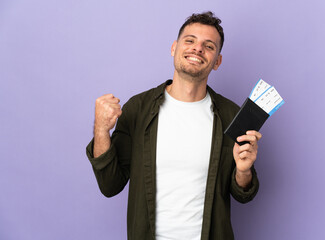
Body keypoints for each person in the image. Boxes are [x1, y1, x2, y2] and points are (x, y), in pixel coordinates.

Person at [86, 11, 261, 240]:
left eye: (208, 46)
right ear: (173, 49)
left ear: (217, 61)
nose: (197, 49)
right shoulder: (138, 109)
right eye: (190, 41)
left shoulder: (231, 115)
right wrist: (101, 130)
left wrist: (244, 170)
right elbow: (110, 185)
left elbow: (243, 194)